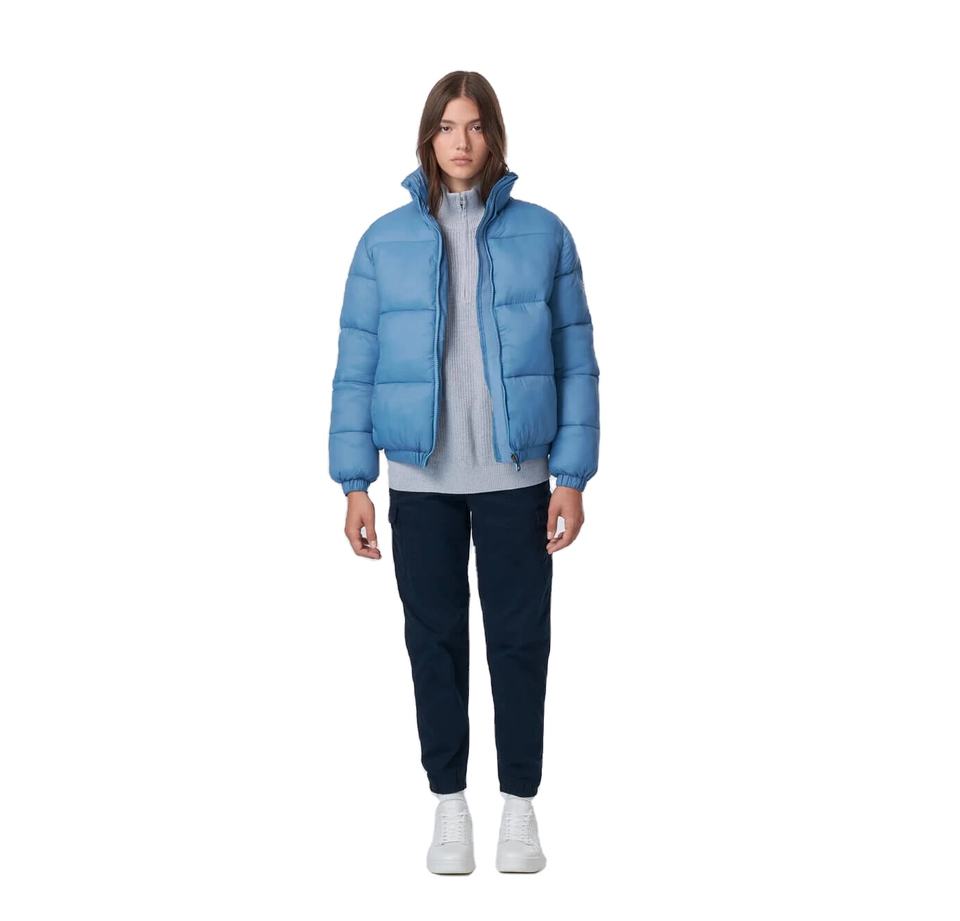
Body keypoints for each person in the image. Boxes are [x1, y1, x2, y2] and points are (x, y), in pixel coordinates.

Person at [328, 71, 600, 874]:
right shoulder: (381, 242)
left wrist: (572, 475)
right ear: (428, 135)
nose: (461, 140)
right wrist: (354, 483)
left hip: (518, 477)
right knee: (433, 643)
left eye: (475, 125)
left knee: (520, 642)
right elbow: (355, 365)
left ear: (494, 136)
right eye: (447, 126)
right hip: (420, 481)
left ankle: (520, 807)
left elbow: (576, 359)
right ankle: (449, 802)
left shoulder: (545, 234)